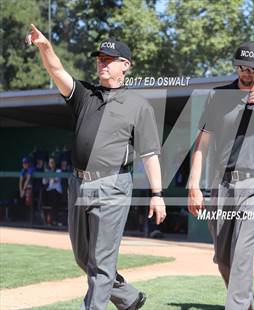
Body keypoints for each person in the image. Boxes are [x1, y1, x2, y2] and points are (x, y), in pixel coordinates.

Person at [27, 24, 166, 310]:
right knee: (83, 258)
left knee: (102, 262)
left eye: (108, 59)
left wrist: (157, 193)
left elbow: (150, 154)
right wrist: (45, 47)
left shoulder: (138, 105)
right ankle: (128, 297)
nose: (101, 63)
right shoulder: (84, 95)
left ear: (124, 65)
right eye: (99, 58)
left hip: (113, 185)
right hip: (79, 184)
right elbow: (56, 71)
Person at [188, 41, 254, 310]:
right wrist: (194, 184)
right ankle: (245, 302)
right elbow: (202, 144)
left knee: (241, 251)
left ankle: (236, 306)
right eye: (240, 67)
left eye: (252, 68)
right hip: (222, 185)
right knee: (223, 257)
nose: (245, 73)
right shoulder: (218, 96)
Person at [42, 156, 63, 225]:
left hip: (57, 191)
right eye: (50, 162)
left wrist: (48, 174)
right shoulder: (47, 171)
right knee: (42, 194)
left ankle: (53, 219)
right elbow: (44, 182)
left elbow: (55, 180)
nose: (51, 164)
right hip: (49, 191)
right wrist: (46, 175)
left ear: (54, 163)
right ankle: (45, 218)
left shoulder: (58, 170)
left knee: (54, 197)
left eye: (52, 162)